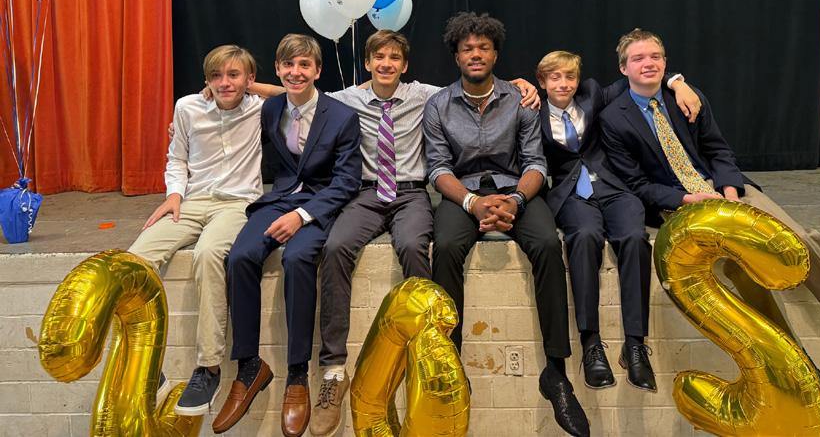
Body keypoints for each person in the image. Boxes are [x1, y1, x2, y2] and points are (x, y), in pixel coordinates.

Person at [598, 27, 820, 419]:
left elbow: (718, 150)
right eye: (638, 58)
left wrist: (728, 190)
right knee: (741, 269)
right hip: (685, 204)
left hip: (725, 190)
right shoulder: (613, 118)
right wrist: (689, 199)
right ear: (624, 68)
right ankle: (804, 366)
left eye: (655, 56)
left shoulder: (687, 97)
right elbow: (638, 185)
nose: (648, 64)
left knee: (796, 239)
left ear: (666, 62)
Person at [310, 29, 541, 437]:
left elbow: (478, 83)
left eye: (394, 58)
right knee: (335, 246)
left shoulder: (425, 96)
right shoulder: (348, 99)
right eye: (379, 57)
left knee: (416, 247)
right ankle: (332, 369)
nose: (386, 64)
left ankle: (426, 358)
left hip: (411, 192)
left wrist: (522, 84)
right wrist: (241, 86)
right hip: (367, 193)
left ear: (405, 65)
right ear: (367, 63)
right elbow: (299, 90)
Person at [424, 12, 590, 437]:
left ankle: (556, 372)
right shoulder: (438, 105)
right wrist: (473, 202)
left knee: (548, 245)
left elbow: (535, 163)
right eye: (467, 49)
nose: (475, 54)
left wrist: (514, 200)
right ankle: (450, 366)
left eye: (483, 47)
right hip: (462, 194)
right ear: (457, 57)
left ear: (495, 54)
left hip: (516, 189)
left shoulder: (521, 100)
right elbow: (438, 168)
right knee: (446, 248)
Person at [212, 34, 362, 437]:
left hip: (319, 205)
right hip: (278, 198)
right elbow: (233, 96)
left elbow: (347, 182)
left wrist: (302, 216)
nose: (296, 72)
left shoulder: (342, 117)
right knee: (240, 257)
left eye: (304, 65)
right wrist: (203, 100)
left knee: (297, 259)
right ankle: (249, 366)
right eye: (288, 65)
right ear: (278, 69)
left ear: (318, 71)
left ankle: (297, 374)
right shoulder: (272, 107)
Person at [536, 50, 700, 393]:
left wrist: (676, 81)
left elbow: (639, 78)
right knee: (584, 236)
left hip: (615, 187)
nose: (563, 84)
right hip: (572, 194)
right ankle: (591, 343)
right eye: (555, 78)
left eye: (570, 77)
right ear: (542, 82)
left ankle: (635, 344)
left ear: (578, 80)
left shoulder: (593, 94)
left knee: (634, 238)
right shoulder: (532, 112)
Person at [128, 45, 263, 416]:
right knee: (133, 262)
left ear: (249, 79)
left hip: (237, 203)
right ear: (206, 80)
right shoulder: (187, 107)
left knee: (208, 254)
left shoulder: (259, 109)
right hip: (191, 200)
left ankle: (209, 367)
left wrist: (252, 88)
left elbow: (302, 92)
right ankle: (147, 363)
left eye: (233, 75)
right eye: (216, 76)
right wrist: (174, 194)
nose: (224, 83)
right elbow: (177, 158)